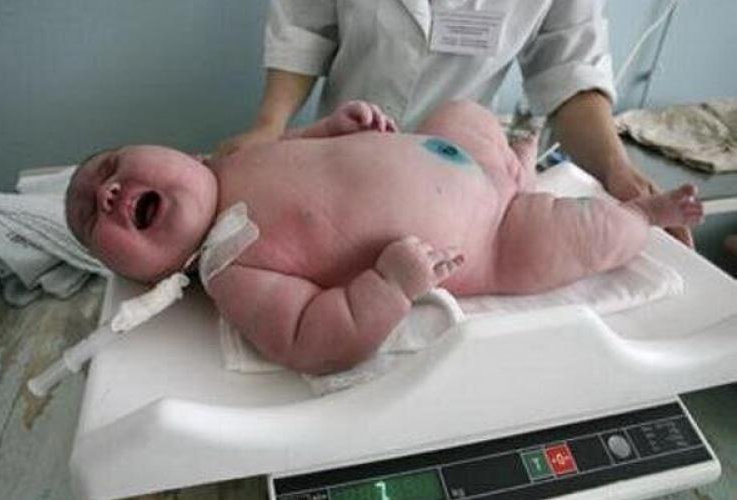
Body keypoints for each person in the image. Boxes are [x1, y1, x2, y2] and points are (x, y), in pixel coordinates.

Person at [67, 100, 702, 375]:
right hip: (493, 238)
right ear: (150, 275)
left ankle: (516, 167)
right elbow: (308, 339)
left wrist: (334, 127)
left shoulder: (234, 159)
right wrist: (388, 285)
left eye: (109, 167)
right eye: (94, 219)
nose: (108, 193)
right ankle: (643, 217)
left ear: (177, 153)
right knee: (587, 233)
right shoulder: (231, 268)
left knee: (461, 110)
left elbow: (300, 150)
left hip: (447, 149)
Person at [215, 0, 694, 246]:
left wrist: (616, 169)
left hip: (464, 178)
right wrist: (270, 125)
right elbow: (304, 28)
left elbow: (570, 74)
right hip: (341, 160)